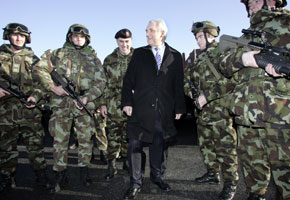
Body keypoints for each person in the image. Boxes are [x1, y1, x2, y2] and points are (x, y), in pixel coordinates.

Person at [218, 0, 290, 199]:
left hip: (282, 116)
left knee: (286, 173)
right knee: (252, 168)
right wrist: (244, 59)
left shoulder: (287, 23)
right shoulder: (246, 35)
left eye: (256, 0)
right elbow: (222, 64)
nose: (251, 5)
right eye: (248, 3)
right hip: (248, 115)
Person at [34, 24, 106, 192]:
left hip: (83, 104)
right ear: (69, 37)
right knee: (60, 142)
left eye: (81, 37)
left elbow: (101, 82)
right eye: (75, 36)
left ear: (86, 39)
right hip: (61, 105)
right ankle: (60, 173)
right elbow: (38, 68)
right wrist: (52, 87)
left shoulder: (93, 58)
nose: (78, 39)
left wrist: (88, 97)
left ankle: (84, 171)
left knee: (85, 141)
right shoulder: (57, 53)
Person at [121, 19, 186, 200]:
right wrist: (127, 102)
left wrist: (179, 107)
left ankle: (157, 177)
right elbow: (128, 81)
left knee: (159, 144)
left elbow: (178, 85)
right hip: (139, 109)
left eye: (150, 30)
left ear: (161, 33)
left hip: (163, 110)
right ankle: (135, 183)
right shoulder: (139, 54)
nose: (147, 34)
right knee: (135, 144)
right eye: (146, 30)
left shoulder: (175, 55)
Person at [184, 21, 239, 200]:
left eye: (200, 37)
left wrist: (207, 96)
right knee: (206, 146)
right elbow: (187, 78)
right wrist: (190, 92)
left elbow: (233, 81)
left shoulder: (223, 53)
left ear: (211, 35)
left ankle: (231, 183)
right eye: (196, 37)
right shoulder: (199, 58)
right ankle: (212, 173)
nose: (197, 41)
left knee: (226, 149)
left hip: (220, 113)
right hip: (203, 114)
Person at [0, 23, 49, 192]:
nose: (18, 38)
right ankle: (6, 177)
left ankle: (41, 176)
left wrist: (35, 96)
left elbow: (43, 83)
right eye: (14, 35)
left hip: (29, 111)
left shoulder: (34, 60)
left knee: (35, 145)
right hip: (5, 111)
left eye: (22, 35)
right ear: (8, 36)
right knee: (6, 147)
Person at [100, 28, 134, 181]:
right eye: (121, 41)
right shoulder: (109, 59)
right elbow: (103, 84)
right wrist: (103, 104)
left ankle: (128, 163)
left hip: (133, 105)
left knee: (130, 136)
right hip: (113, 104)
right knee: (113, 136)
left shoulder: (138, 57)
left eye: (127, 41)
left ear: (131, 41)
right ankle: (111, 166)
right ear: (117, 42)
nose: (124, 44)